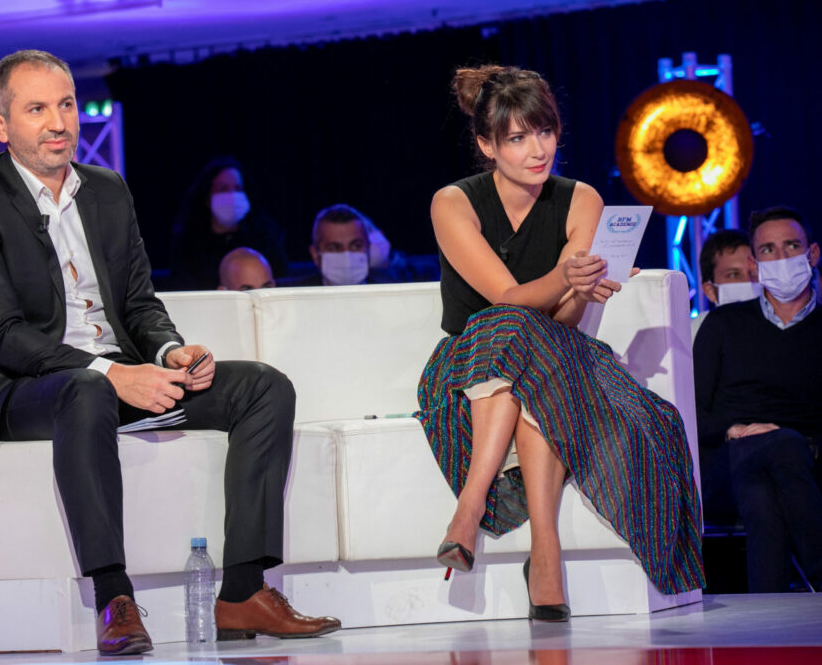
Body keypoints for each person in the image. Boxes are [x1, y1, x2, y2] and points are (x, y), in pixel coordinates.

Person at [0, 50, 339, 656]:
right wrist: (111, 372)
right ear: (3, 126)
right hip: (24, 392)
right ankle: (114, 599)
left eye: (67, 105)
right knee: (86, 388)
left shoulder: (105, 189)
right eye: (37, 109)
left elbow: (138, 301)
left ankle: (242, 591)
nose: (58, 122)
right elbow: (1, 334)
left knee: (264, 385)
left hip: (118, 378)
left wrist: (171, 351)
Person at [415, 64, 704, 621]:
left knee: (534, 351)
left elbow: (563, 319)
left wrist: (586, 288)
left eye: (544, 132)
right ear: (487, 146)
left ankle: (478, 521)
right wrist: (568, 275)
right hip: (467, 360)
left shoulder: (581, 199)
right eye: (518, 138)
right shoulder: (452, 202)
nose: (537, 149)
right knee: (511, 333)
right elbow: (506, 298)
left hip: (556, 352)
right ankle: (532, 545)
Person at [693, 206, 822, 592]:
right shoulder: (722, 324)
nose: (781, 258)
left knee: (764, 494)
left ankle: (768, 612)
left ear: (812, 254)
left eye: (791, 246)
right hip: (728, 459)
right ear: (753, 263)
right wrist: (734, 429)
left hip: (807, 460)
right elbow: (690, 408)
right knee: (777, 447)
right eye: (768, 250)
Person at [170, 157, 287, 290]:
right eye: (223, 189)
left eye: (238, 188)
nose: (231, 195)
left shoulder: (266, 236)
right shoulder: (188, 242)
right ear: (207, 196)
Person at [279, 204, 395, 287]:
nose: (346, 255)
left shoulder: (387, 297)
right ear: (315, 254)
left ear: (368, 249)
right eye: (334, 248)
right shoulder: (294, 300)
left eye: (356, 246)